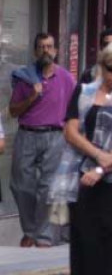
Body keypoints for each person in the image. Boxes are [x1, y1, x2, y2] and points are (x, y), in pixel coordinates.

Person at [52, 41, 112, 274]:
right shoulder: (83, 92)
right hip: (83, 177)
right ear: (101, 66)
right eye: (111, 68)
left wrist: (102, 169)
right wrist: (98, 156)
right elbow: (71, 132)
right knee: (85, 244)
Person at [9, 33, 76, 247]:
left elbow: (75, 109)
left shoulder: (66, 78)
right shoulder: (24, 79)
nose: (45, 50)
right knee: (21, 186)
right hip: (27, 134)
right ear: (35, 51)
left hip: (55, 135)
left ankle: (43, 236)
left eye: (49, 46)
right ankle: (30, 229)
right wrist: (31, 97)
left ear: (55, 50)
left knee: (48, 187)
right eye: (41, 47)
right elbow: (13, 111)